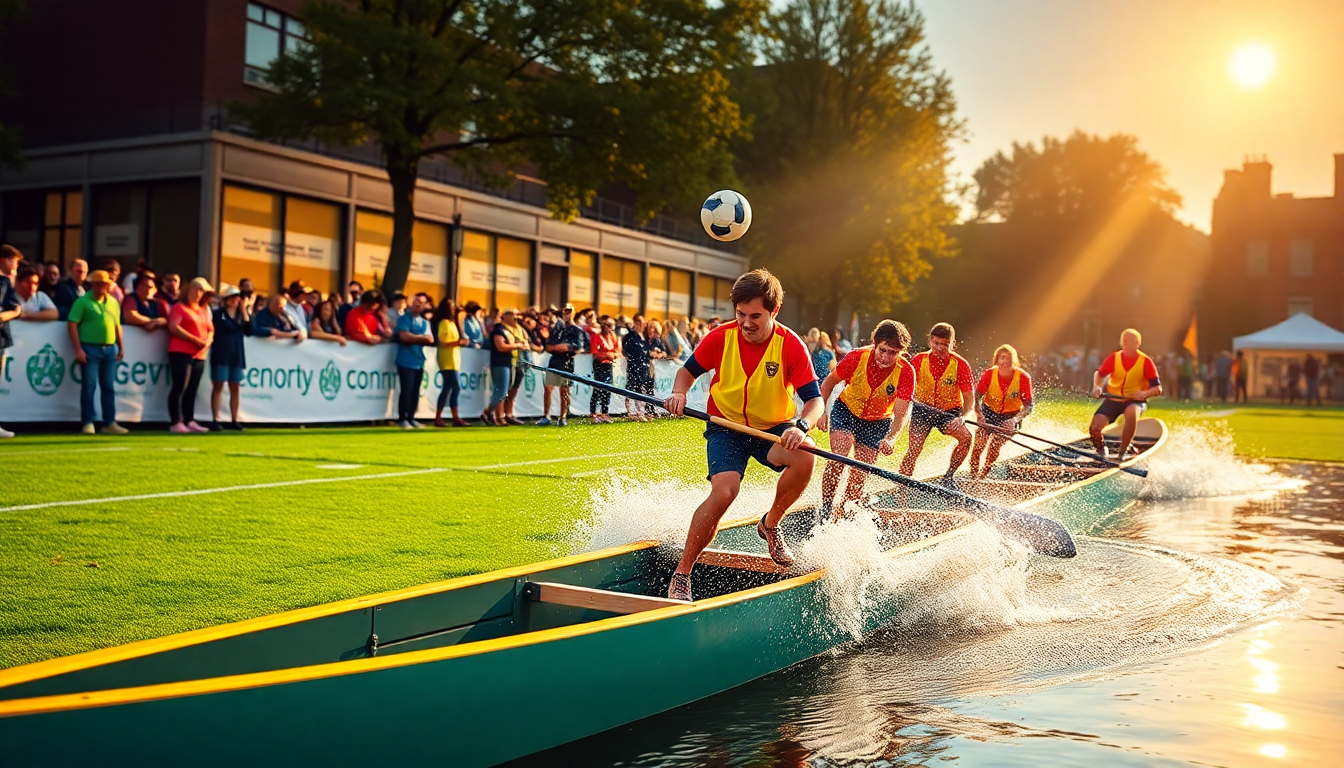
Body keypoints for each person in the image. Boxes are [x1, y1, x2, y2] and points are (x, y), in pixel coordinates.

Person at [661, 269, 823, 601]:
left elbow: (815, 401)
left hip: (771, 429)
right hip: (726, 426)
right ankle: (682, 573)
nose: (746, 323)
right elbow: (686, 373)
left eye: (755, 316)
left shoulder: (790, 345)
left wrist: (800, 426)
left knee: (807, 453)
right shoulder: (721, 336)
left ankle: (771, 524)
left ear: (774, 312)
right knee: (725, 492)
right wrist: (679, 393)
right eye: (740, 314)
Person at [816, 320, 915, 519]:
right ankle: (826, 509)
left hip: (877, 422)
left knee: (860, 472)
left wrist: (891, 438)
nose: (886, 357)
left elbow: (901, 413)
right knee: (839, 457)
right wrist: (821, 412)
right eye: (883, 350)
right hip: (846, 411)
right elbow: (828, 384)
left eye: (893, 353)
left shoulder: (906, 372)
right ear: (874, 343)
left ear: (901, 352)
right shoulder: (856, 357)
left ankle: (846, 512)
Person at [898, 323, 974, 488]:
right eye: (936, 343)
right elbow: (904, 385)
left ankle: (948, 477)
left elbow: (969, 398)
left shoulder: (960, 364)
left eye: (945, 345)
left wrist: (963, 417)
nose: (940, 348)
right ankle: (901, 488)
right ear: (930, 341)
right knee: (914, 449)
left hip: (948, 413)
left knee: (966, 438)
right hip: (922, 410)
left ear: (952, 344)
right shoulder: (918, 360)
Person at [67, 269, 128, 435]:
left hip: (110, 348)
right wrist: (78, 349)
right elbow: (72, 324)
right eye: (99, 284)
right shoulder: (82, 302)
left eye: (105, 283)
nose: (102, 287)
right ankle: (88, 422)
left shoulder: (114, 302)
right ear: (92, 285)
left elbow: (117, 326)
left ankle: (109, 422)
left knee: (108, 387)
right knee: (90, 386)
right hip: (89, 348)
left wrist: (121, 346)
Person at [1089, 328, 1162, 459]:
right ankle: (1101, 451)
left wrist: (1143, 394)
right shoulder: (1114, 358)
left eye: (1131, 342)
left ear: (1137, 343)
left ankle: (1121, 454)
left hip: (1134, 401)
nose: (1127, 344)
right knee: (1095, 427)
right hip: (1113, 399)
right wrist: (1096, 387)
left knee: (1131, 413)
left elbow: (1158, 389)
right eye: (1125, 341)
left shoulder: (1145, 361)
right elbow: (1099, 374)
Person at [968, 344, 1035, 479]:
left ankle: (982, 476)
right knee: (979, 445)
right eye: (1001, 358)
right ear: (996, 360)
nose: (1004, 362)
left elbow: (1029, 406)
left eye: (1008, 358)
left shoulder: (1023, 377)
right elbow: (975, 396)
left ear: (1014, 360)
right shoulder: (989, 374)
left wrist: (1014, 420)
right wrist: (979, 415)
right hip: (988, 413)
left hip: (1010, 417)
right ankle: (973, 475)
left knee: (995, 446)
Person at [166, 277, 215, 434]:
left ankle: (189, 419)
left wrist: (207, 342)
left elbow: (211, 330)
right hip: (180, 352)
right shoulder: (179, 308)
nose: (198, 293)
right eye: (196, 289)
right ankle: (175, 421)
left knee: (192, 389)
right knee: (180, 386)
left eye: (201, 290)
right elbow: (173, 327)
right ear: (189, 288)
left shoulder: (202, 311)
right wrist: (194, 340)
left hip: (199, 355)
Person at [210, 285, 250, 431]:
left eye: (237, 297)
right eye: (232, 297)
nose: (236, 300)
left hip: (236, 354)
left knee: (235, 387)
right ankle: (216, 419)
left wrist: (245, 311)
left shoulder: (241, 315)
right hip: (221, 353)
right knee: (218, 385)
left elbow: (250, 330)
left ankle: (234, 419)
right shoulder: (217, 314)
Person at [540, 304, 586, 427]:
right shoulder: (557, 329)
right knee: (548, 388)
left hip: (567, 361)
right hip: (555, 360)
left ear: (574, 313)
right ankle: (546, 416)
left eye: (569, 311)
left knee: (564, 391)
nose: (567, 314)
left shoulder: (577, 330)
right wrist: (555, 348)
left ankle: (563, 416)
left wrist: (566, 347)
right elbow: (548, 346)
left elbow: (580, 347)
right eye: (565, 312)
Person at [394, 293, 434, 429]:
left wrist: (415, 338)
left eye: (421, 302)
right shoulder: (404, 319)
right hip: (406, 360)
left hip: (419, 360)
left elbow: (430, 339)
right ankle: (403, 418)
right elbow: (403, 336)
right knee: (407, 390)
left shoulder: (425, 322)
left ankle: (411, 417)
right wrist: (421, 338)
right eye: (416, 301)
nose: (418, 304)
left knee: (415, 391)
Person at [487, 308, 527, 426]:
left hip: (508, 361)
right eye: (512, 315)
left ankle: (496, 415)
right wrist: (517, 345)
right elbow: (500, 346)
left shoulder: (511, 330)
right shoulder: (498, 329)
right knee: (501, 391)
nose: (515, 318)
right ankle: (488, 412)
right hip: (500, 362)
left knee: (503, 391)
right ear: (505, 316)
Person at [432, 299, 468, 428]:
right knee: (456, 387)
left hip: (454, 360)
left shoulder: (452, 323)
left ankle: (439, 417)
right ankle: (455, 417)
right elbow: (442, 342)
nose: (454, 307)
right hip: (447, 359)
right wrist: (459, 343)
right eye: (452, 306)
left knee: (447, 388)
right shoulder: (444, 323)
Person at [0, 246, 21, 438]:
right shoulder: (4, 282)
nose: (16, 265)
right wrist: (13, 313)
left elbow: (16, 307)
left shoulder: (7, 282)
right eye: (14, 260)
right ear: (4, 260)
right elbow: (14, 309)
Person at [587, 315, 620, 423]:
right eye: (608, 325)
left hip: (608, 365)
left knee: (608, 389)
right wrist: (607, 355)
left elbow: (617, 351)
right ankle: (593, 413)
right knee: (597, 388)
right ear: (603, 326)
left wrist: (612, 355)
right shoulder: (596, 337)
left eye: (611, 326)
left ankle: (604, 413)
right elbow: (595, 354)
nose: (610, 328)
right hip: (599, 365)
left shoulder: (613, 336)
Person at [622, 315, 654, 421]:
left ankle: (641, 411)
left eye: (643, 322)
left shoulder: (644, 337)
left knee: (642, 388)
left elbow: (646, 352)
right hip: (633, 366)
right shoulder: (630, 336)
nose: (641, 325)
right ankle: (631, 412)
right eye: (639, 322)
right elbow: (628, 351)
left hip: (644, 367)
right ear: (635, 323)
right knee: (632, 388)